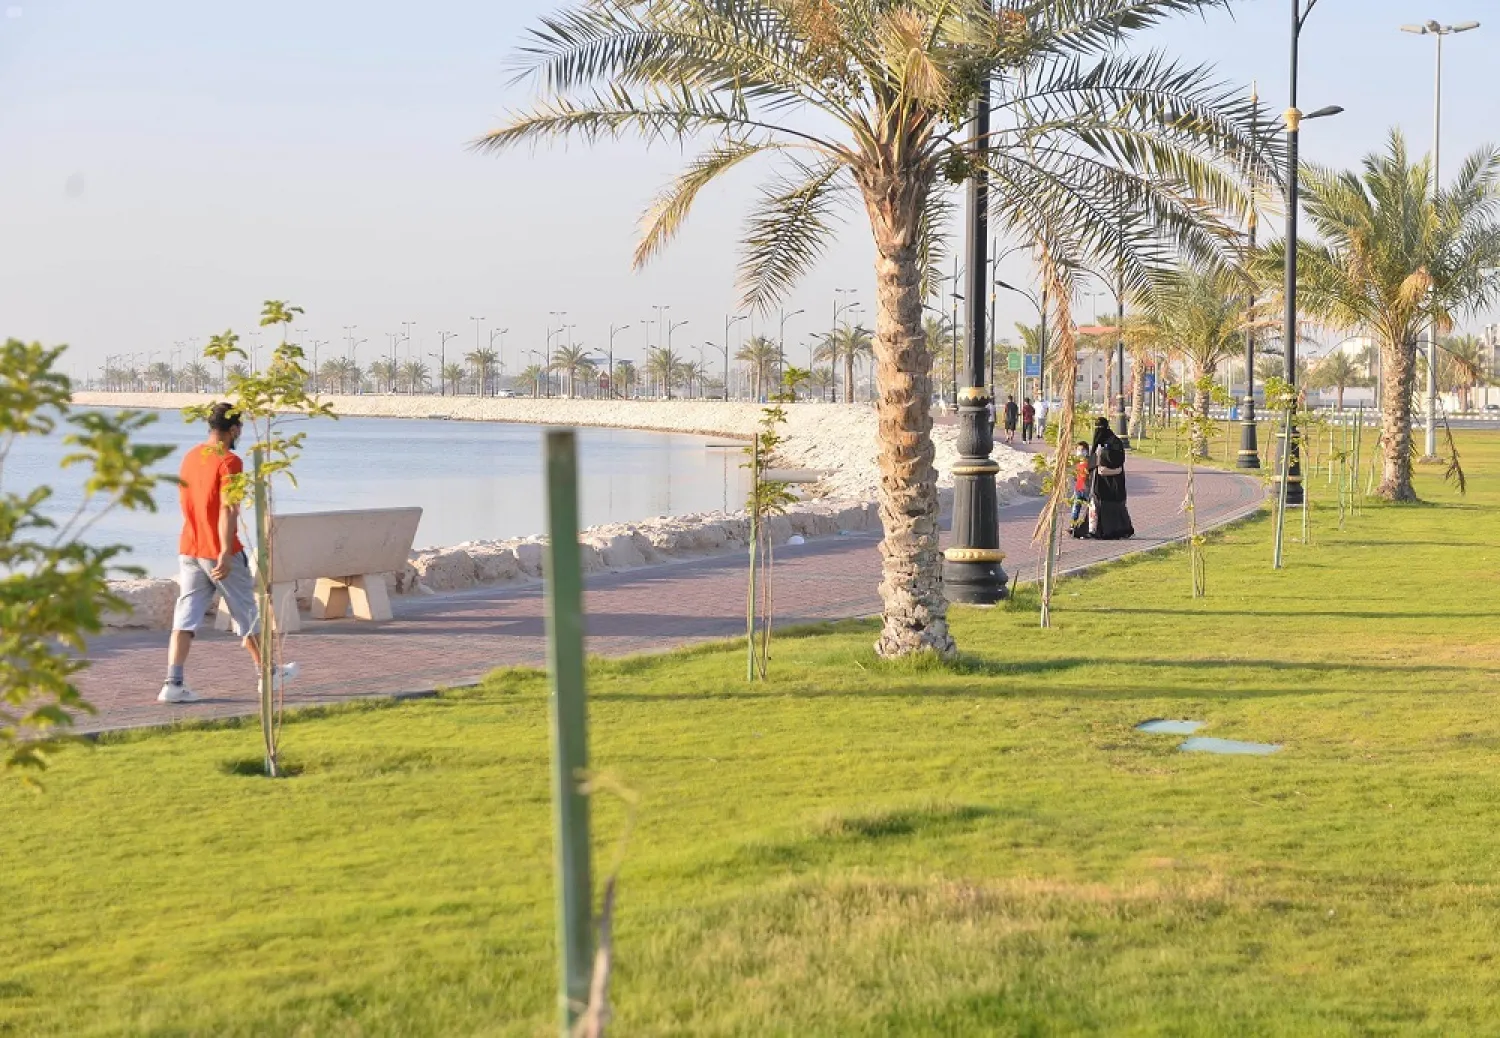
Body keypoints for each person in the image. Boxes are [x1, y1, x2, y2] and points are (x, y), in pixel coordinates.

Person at [160, 403, 296, 704]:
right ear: (233, 430)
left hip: (190, 547)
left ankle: (173, 682)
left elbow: (190, 503)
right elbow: (228, 509)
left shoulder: (190, 456)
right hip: (219, 550)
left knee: (185, 616)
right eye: (240, 429)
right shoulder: (230, 462)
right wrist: (223, 551)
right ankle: (268, 673)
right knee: (246, 612)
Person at [1087, 416, 1134, 540]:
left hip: (1114, 480)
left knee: (1114, 505)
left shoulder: (1115, 441)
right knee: (1098, 504)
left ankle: (1117, 530)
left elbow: (1118, 459)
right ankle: (1097, 529)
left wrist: (1104, 458)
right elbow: (1091, 462)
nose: (1098, 431)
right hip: (1100, 480)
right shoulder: (1097, 443)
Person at [1069, 441, 1092, 538]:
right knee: (1075, 508)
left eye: (1083, 450)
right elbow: (1075, 477)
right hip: (1078, 489)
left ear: (1087, 451)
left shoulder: (1089, 463)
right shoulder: (1076, 463)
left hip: (1087, 489)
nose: (1080, 452)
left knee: (1090, 508)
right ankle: (1072, 525)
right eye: (1078, 450)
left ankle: (1089, 527)